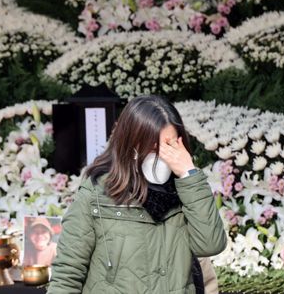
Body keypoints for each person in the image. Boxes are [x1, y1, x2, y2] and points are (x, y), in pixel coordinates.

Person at [48, 95, 227, 294]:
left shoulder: (187, 191)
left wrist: (189, 173)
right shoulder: (97, 193)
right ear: (130, 144)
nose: (159, 155)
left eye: (168, 146)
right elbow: (67, 274)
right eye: (151, 146)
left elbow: (211, 245)